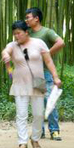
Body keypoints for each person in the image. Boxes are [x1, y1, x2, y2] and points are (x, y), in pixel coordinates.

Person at [1, 20, 62, 148]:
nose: (16, 36)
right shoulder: (12, 45)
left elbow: (49, 61)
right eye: (14, 34)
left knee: (39, 114)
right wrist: (6, 56)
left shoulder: (39, 43)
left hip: (38, 82)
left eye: (19, 33)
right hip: (20, 84)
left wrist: (55, 77)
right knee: (21, 114)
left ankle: (35, 138)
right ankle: (22, 142)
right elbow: (6, 51)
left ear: (26, 32)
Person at [24, 7, 65, 140]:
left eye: (28, 17)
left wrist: (46, 55)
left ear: (36, 18)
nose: (26, 20)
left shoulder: (46, 32)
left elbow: (60, 42)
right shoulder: (27, 33)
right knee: (36, 102)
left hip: (45, 72)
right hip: (32, 73)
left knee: (49, 100)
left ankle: (54, 130)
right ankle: (39, 131)